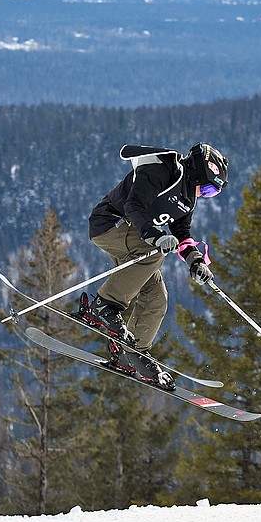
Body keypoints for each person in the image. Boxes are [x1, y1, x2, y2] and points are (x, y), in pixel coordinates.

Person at [75, 142, 230, 387]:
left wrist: (195, 260)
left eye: (213, 194)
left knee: (157, 298)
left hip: (136, 238)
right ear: (201, 172)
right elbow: (133, 206)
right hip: (109, 224)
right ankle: (104, 306)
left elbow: (181, 231)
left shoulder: (189, 197)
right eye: (209, 190)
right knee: (154, 253)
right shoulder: (162, 170)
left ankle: (131, 353)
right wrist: (154, 236)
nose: (207, 196)